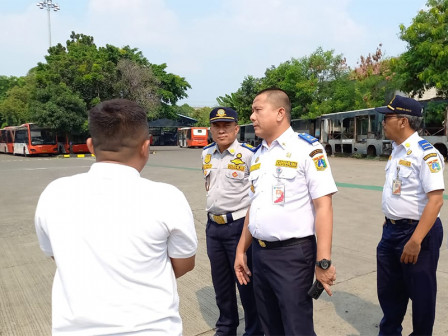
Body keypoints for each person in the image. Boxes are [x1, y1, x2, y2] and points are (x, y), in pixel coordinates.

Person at [35, 99, 198, 336]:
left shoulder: (54, 193)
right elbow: (183, 263)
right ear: (146, 146)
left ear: (90, 146)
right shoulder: (167, 197)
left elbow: (56, 255)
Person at [234, 88, 338, 336]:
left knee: (296, 327)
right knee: (269, 326)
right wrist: (241, 250)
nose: (252, 116)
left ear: (280, 113)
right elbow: (253, 205)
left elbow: (323, 206)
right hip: (260, 254)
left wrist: (323, 262)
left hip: (292, 255)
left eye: (257, 110)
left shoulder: (307, 150)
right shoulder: (258, 155)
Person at [375, 95, 444, 336]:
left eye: (388, 117)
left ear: (403, 121)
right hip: (392, 231)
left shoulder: (426, 153)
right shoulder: (396, 150)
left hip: (417, 233)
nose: (383, 122)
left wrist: (415, 241)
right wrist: (390, 218)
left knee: (422, 294)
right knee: (389, 291)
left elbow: (436, 200)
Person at [202, 107, 263, 336]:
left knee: (245, 283)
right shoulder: (206, 154)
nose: (221, 130)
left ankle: (254, 331)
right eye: (216, 126)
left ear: (236, 128)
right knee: (221, 285)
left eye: (226, 126)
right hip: (213, 227)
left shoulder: (250, 154)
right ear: (210, 129)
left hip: (239, 227)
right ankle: (226, 328)